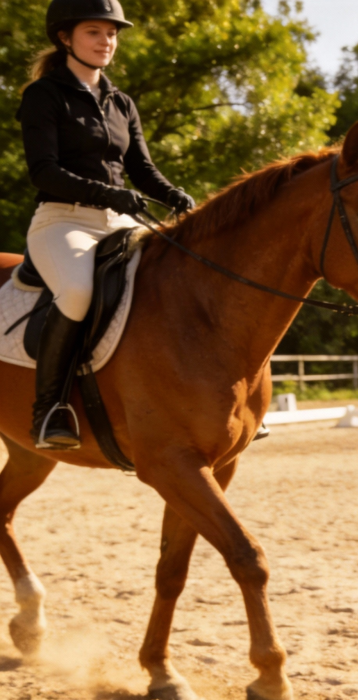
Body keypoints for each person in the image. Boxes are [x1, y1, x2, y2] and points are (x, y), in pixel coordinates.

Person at [16, 0, 195, 450]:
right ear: (65, 38)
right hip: (63, 221)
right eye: (94, 32)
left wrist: (173, 194)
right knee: (77, 293)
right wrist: (107, 194)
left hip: (120, 222)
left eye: (112, 33)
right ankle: (49, 410)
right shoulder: (44, 95)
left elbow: (142, 169)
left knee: (180, 278)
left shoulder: (121, 102)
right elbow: (43, 170)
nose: (107, 41)